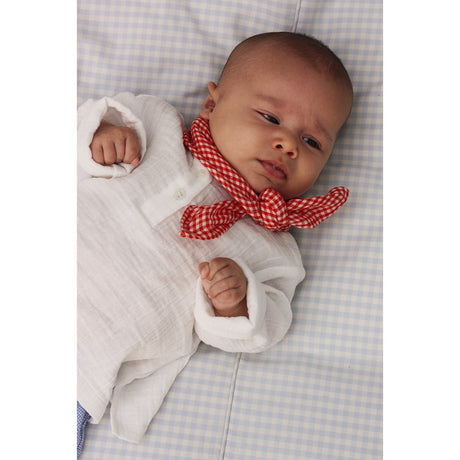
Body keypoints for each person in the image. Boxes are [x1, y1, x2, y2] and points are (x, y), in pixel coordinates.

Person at [77, 32, 353, 450]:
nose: (288, 145)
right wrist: (99, 138)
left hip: (84, 368)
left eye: (312, 141)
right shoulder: (155, 127)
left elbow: (262, 329)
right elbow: (72, 140)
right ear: (212, 103)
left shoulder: (273, 250)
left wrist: (235, 305)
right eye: (270, 117)